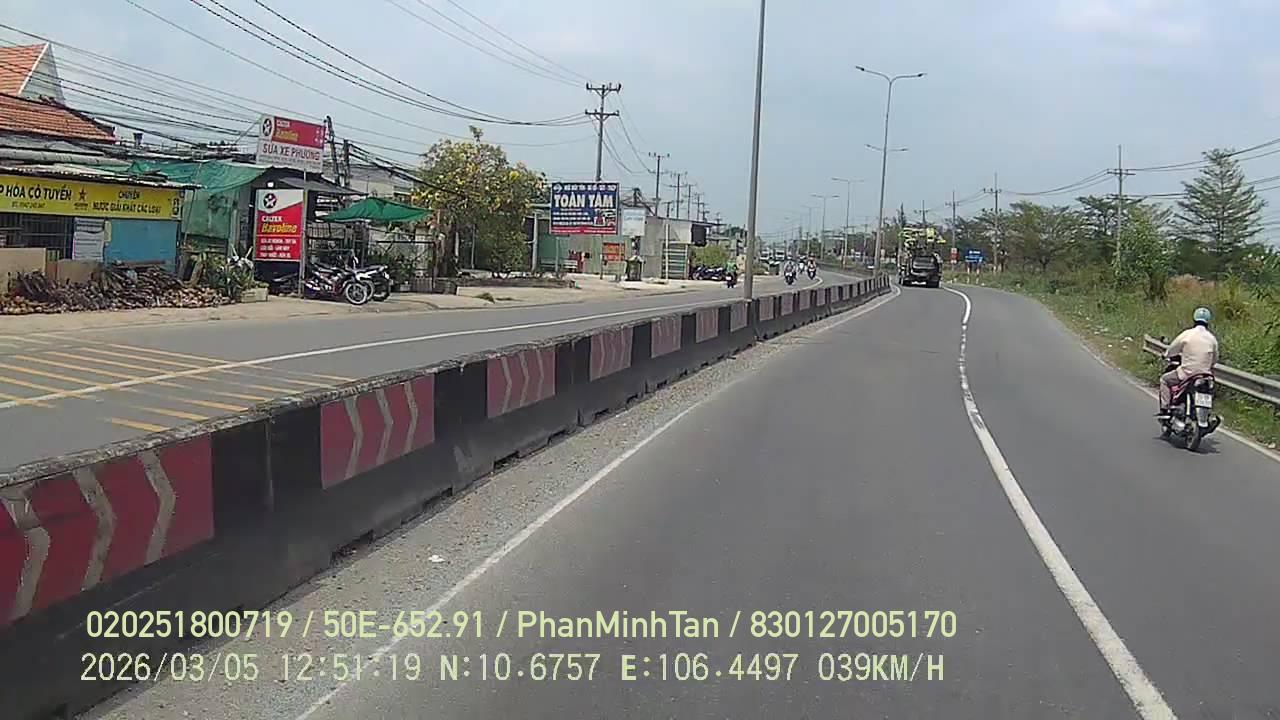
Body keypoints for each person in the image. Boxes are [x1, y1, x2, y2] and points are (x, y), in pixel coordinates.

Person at [1158, 307, 1218, 416]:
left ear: (1194, 319)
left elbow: (1173, 348)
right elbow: (1214, 359)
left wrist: (1166, 355)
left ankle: (1165, 409)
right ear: (1208, 322)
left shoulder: (1187, 334)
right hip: (1206, 375)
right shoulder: (1212, 338)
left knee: (1164, 380)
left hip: (1187, 373)